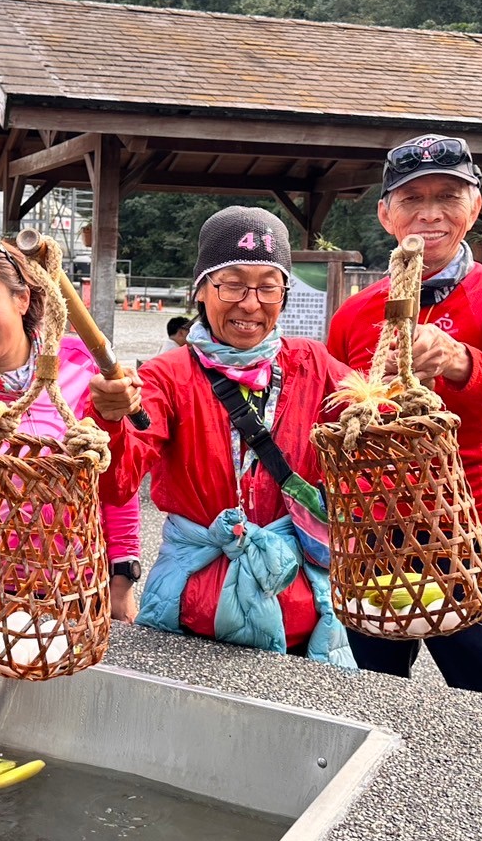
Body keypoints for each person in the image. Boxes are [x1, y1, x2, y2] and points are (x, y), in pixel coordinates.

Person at [326, 134, 482, 704]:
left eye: (449, 195)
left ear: (475, 206)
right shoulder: (355, 314)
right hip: (372, 531)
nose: (430, 214)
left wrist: (457, 359)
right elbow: (333, 417)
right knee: (370, 698)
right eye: (411, 198)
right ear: (384, 213)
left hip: (472, 528)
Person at [89, 206, 356, 668]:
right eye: (231, 284)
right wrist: (110, 421)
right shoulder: (165, 376)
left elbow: (377, 435)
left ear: (284, 293)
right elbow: (116, 481)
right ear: (201, 290)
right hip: (195, 608)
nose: (250, 303)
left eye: (268, 286)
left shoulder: (314, 364)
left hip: (302, 609)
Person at [0, 235, 143, 619]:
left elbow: (115, 482)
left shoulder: (85, 369)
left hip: (81, 586)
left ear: (21, 299)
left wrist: (122, 575)